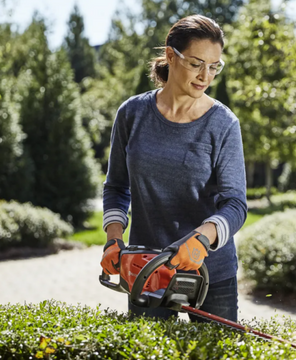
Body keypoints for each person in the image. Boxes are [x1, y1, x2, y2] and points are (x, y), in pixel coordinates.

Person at [99, 15, 247, 323]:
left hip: (210, 272)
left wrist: (202, 238)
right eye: (196, 64)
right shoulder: (132, 114)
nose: (205, 76)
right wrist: (114, 237)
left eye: (214, 66)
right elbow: (116, 187)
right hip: (147, 268)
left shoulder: (223, 124)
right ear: (170, 55)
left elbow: (235, 203)